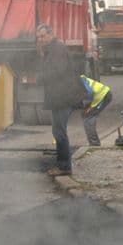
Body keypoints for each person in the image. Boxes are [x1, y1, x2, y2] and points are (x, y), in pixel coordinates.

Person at [36, 23, 89, 176]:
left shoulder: (57, 49)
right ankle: (62, 165)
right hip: (58, 97)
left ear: (51, 34)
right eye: (39, 37)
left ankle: (64, 167)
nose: (41, 39)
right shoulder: (49, 50)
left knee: (59, 132)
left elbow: (58, 71)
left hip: (64, 96)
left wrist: (40, 78)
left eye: (43, 36)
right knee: (57, 131)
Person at [78, 75, 113, 147]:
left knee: (88, 118)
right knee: (85, 115)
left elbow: (90, 92)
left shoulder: (75, 81)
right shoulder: (75, 78)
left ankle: (94, 145)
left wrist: (88, 106)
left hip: (103, 96)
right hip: (98, 96)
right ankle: (94, 144)